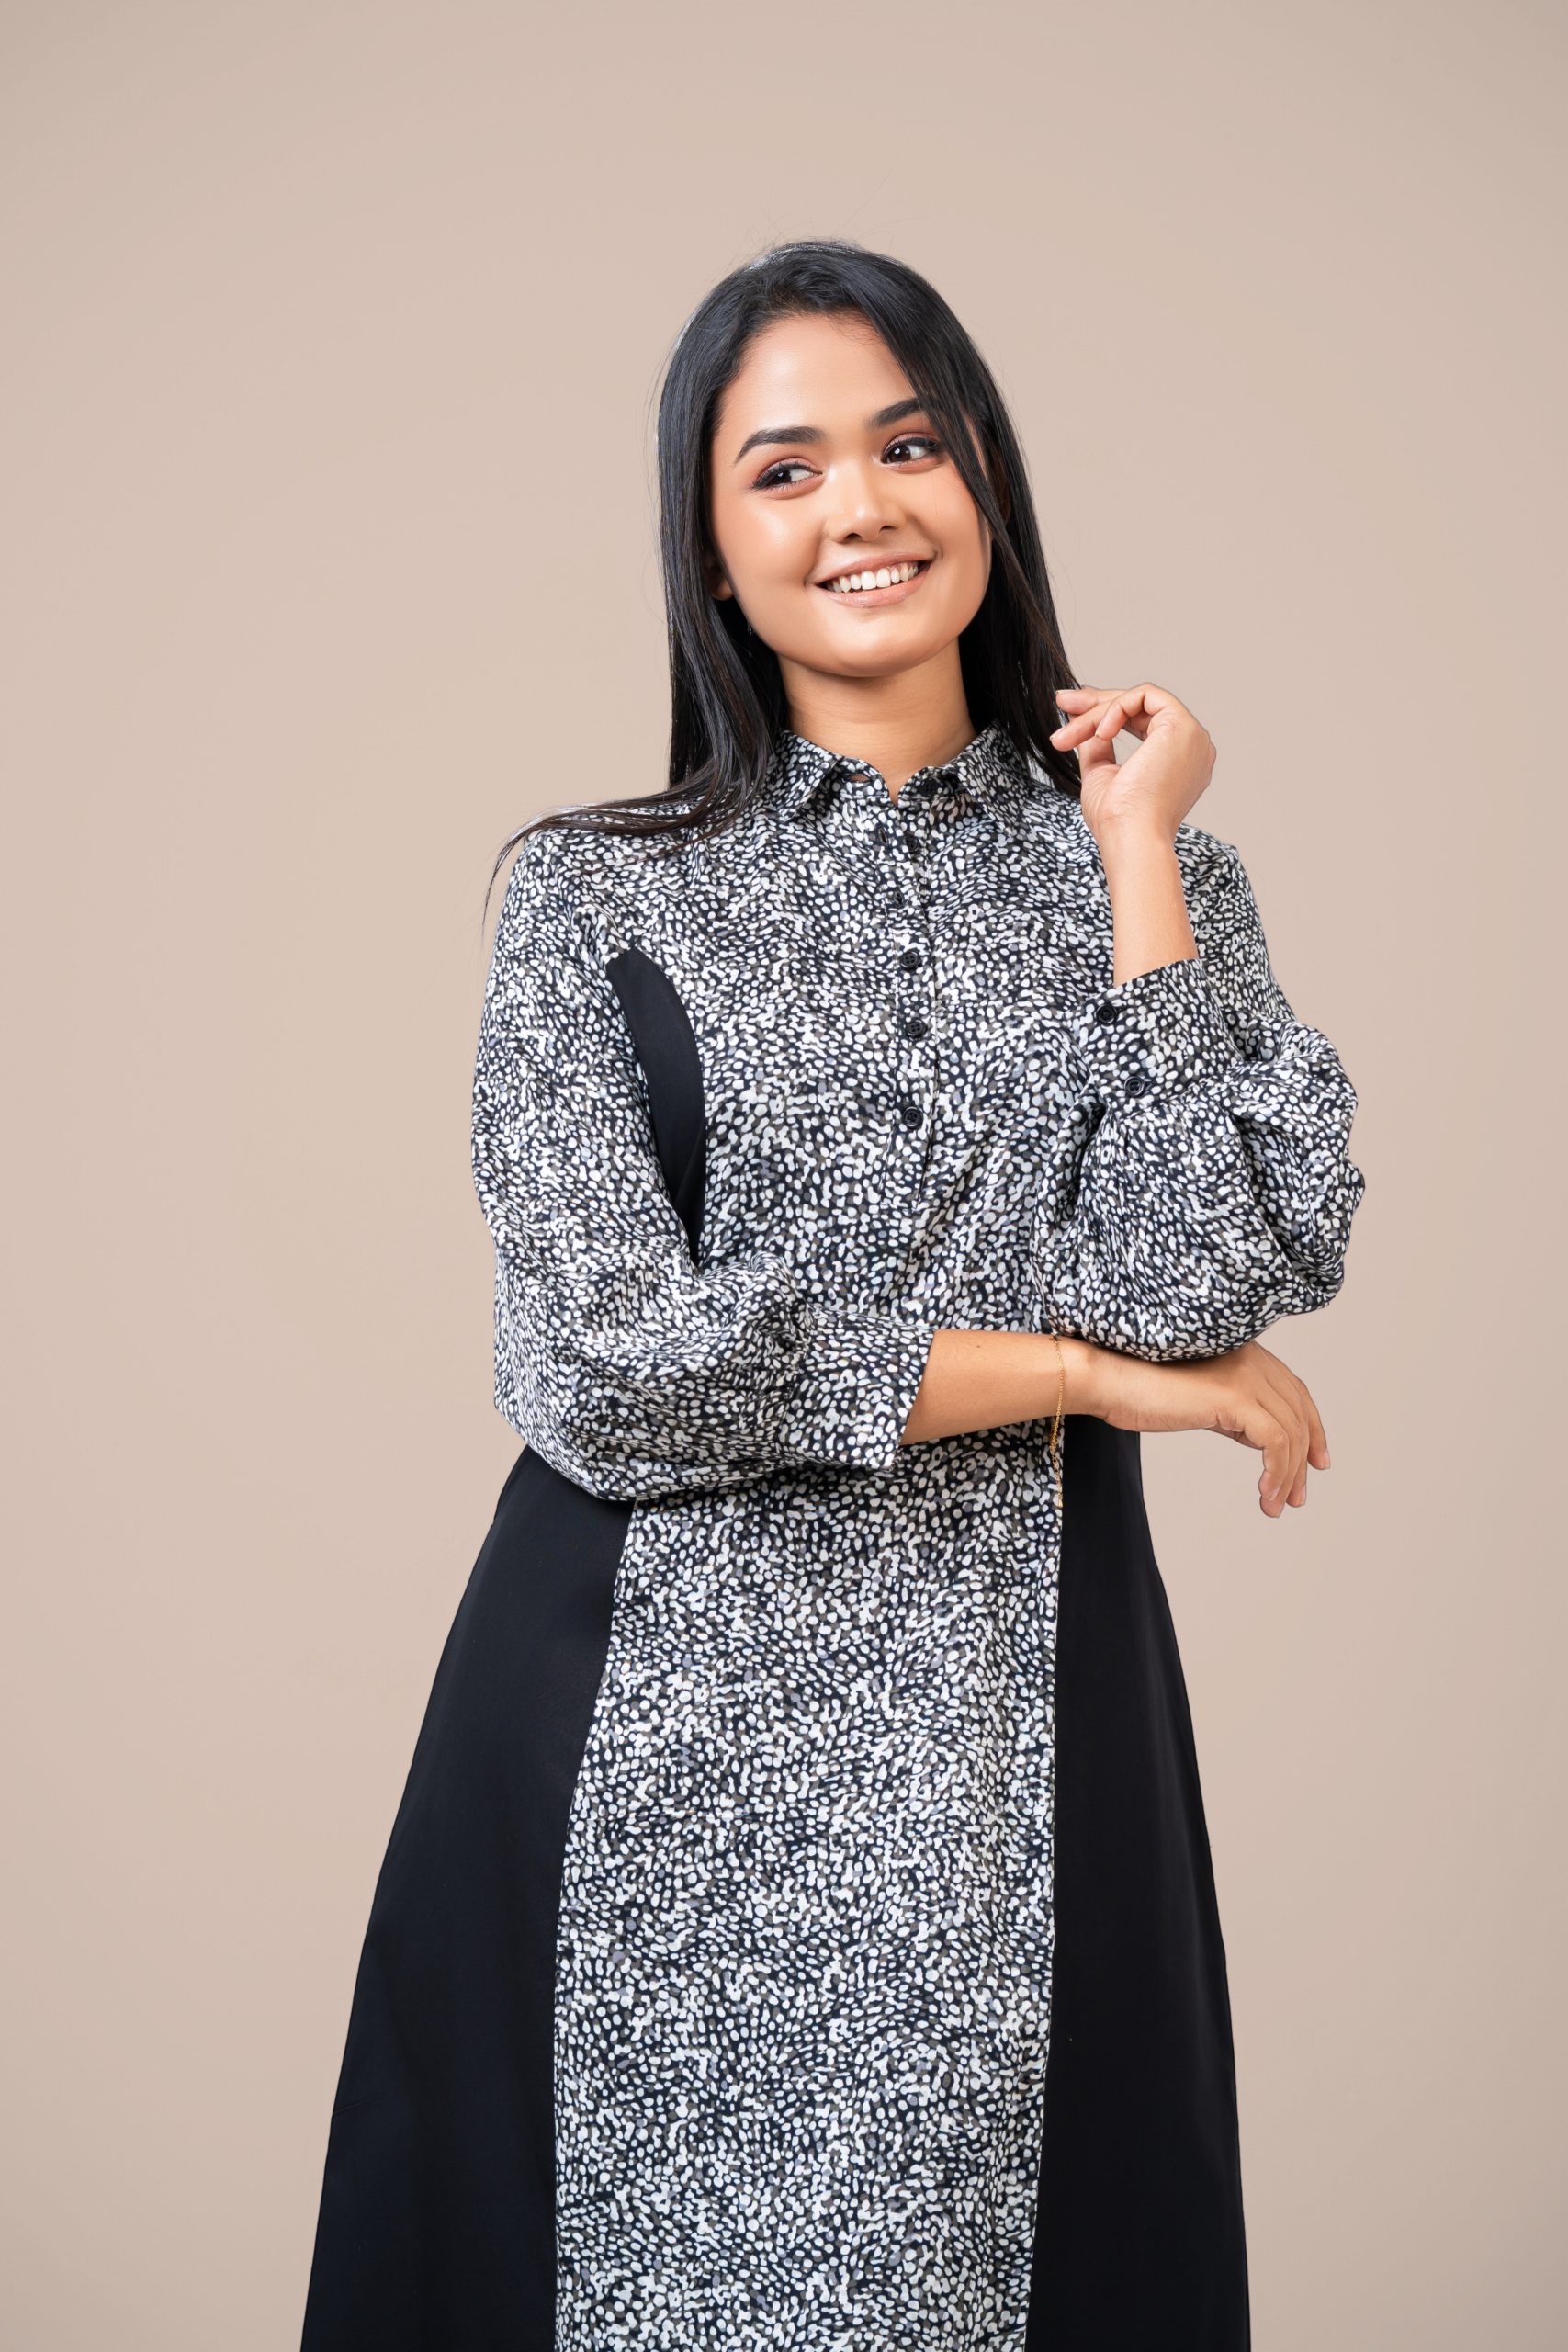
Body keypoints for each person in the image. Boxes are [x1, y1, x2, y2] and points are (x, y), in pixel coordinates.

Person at [299, 238, 1366, 2352]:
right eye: (780, 470)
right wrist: (1072, 1374)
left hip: (1014, 1734)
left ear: (984, 479)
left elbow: (1205, 1268)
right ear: (710, 555)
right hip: (639, 1742)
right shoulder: (597, 889)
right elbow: (604, 1362)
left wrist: (1135, 850)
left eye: (906, 444)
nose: (857, 506)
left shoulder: (1148, 871)